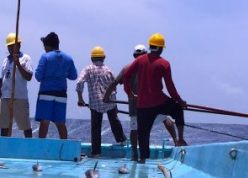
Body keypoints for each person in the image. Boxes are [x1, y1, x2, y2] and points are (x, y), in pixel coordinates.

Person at [104, 44, 179, 161]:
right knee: (166, 119)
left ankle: (135, 155)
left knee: (135, 130)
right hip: (153, 104)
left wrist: (106, 96)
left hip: (135, 106)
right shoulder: (152, 65)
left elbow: (114, 83)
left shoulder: (126, 68)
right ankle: (176, 141)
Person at [122, 33, 187, 163]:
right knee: (178, 109)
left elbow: (126, 75)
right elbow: (170, 86)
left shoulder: (139, 60)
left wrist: (128, 92)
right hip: (160, 101)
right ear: (161, 48)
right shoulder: (164, 63)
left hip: (142, 104)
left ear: (150, 46)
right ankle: (180, 139)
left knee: (143, 133)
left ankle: (142, 158)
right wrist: (180, 101)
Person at [76, 46, 126, 158]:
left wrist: (80, 98)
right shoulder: (108, 70)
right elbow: (114, 85)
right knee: (114, 121)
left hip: (95, 102)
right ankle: (122, 140)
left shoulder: (87, 69)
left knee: (96, 127)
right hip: (110, 100)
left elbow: (79, 82)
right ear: (103, 58)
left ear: (92, 58)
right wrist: (115, 103)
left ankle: (96, 152)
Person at [33, 31, 77, 139]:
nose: (44, 48)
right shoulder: (68, 58)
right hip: (61, 94)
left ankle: (41, 147)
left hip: (46, 93)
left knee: (44, 122)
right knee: (60, 123)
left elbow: (38, 77)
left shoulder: (45, 57)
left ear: (48, 46)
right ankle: (64, 148)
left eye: (44, 45)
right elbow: (73, 76)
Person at [0, 32, 33, 138]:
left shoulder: (26, 58)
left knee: (25, 125)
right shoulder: (5, 61)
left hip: (19, 97)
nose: (10, 49)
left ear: (18, 45)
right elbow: (2, 80)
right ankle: (4, 146)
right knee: (4, 125)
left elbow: (29, 76)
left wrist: (18, 63)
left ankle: (29, 146)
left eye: (13, 46)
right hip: (5, 96)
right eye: (9, 47)